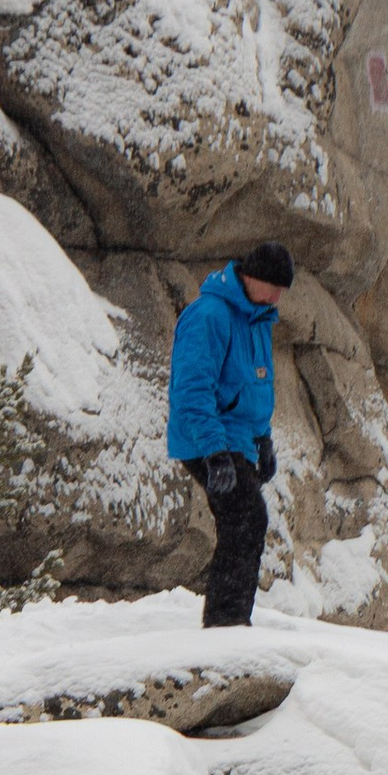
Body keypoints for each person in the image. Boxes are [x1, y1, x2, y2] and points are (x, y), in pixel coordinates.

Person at [167, 241, 291, 627]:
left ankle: (233, 619)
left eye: (282, 290)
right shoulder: (209, 315)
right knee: (245, 518)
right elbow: (191, 390)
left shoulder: (258, 319)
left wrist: (263, 439)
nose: (277, 296)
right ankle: (225, 624)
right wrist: (214, 452)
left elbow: (255, 388)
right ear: (251, 276)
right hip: (206, 439)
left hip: (237, 441)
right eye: (273, 286)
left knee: (247, 523)